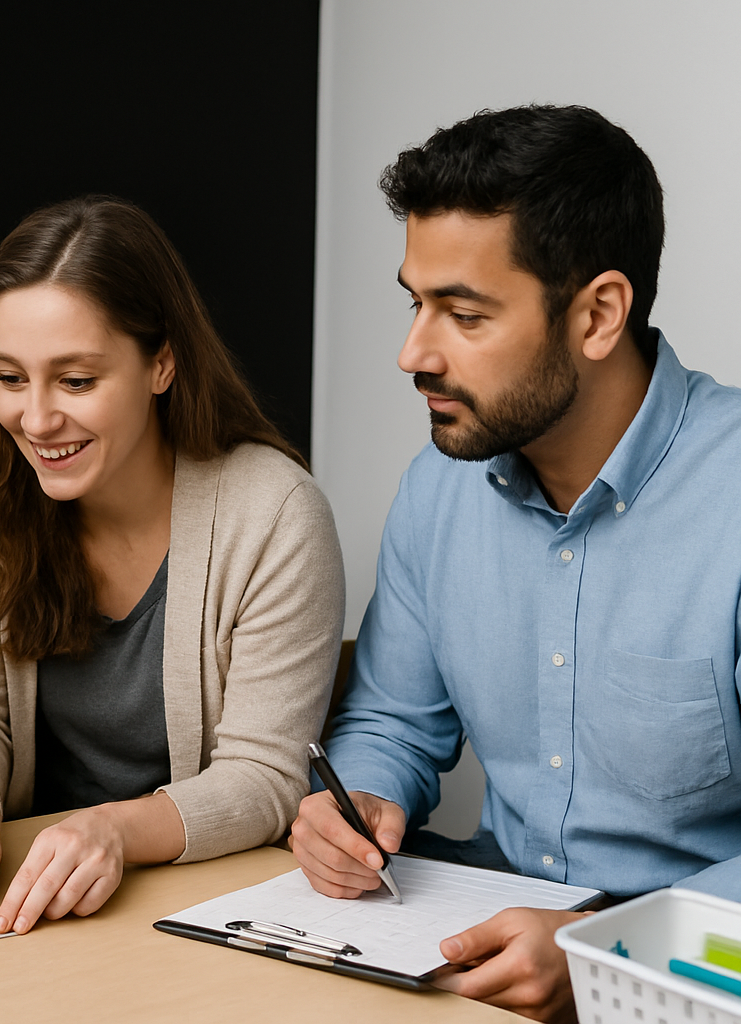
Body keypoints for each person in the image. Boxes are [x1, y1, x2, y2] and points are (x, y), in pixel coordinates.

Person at [290, 104, 741, 1022]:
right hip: (476, 958)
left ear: (598, 315)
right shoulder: (439, 486)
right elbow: (392, 721)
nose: (413, 354)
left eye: (464, 314)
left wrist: (609, 953)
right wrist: (360, 799)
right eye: (416, 303)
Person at [0, 196, 346, 935]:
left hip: (202, 896)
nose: (36, 420)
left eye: (76, 381)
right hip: (31, 892)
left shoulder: (275, 512)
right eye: (10, 377)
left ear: (161, 362)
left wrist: (112, 830)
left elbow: (265, 777)